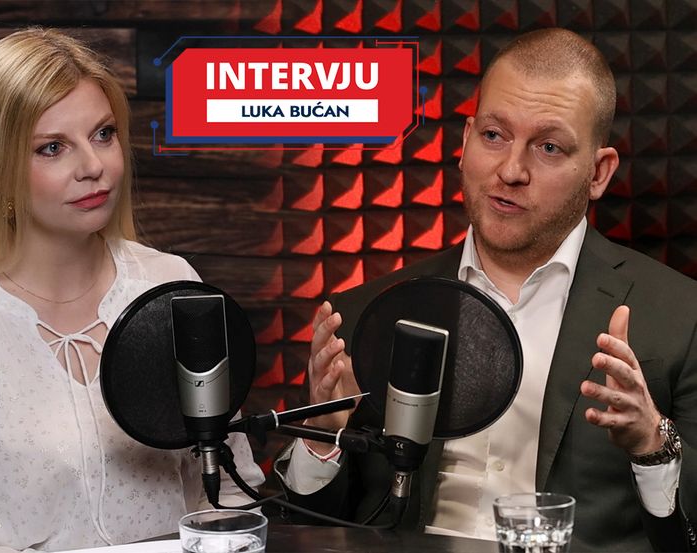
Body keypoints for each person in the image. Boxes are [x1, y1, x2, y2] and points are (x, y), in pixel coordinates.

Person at [275, 28, 696, 552]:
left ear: (598, 172)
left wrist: (653, 445)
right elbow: (303, 530)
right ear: (466, 141)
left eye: (548, 147)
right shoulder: (365, 313)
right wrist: (322, 436)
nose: (510, 170)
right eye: (494, 136)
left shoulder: (681, 317)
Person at [0, 28, 263, 553]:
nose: (93, 167)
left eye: (103, 134)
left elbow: (231, 501)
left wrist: (323, 448)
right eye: (53, 148)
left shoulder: (171, 287)